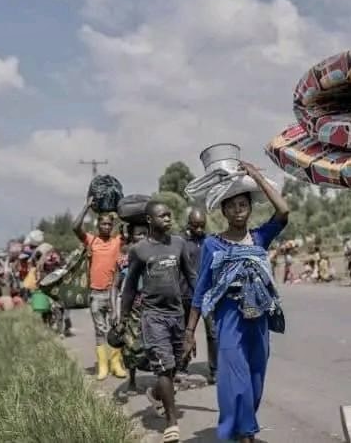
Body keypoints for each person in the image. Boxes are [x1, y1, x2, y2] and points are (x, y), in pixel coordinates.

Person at [183, 161, 290, 443]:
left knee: (255, 378)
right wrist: (189, 331)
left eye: (243, 204)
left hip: (259, 318)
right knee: (234, 380)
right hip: (229, 317)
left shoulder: (259, 238)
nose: (238, 210)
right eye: (231, 206)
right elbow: (201, 289)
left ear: (250, 208)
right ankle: (243, 433)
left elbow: (283, 211)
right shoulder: (213, 244)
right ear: (223, 211)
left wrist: (257, 177)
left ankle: (245, 427)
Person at [121, 200, 197, 443]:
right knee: (163, 367)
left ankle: (155, 393)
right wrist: (122, 319)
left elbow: (192, 278)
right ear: (149, 220)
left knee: (174, 365)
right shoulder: (139, 250)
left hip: (177, 314)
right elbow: (129, 287)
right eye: (162, 215)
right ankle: (172, 423)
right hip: (153, 316)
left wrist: (198, 317)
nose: (167, 218)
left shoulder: (179, 244)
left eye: (169, 215)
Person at [74, 197, 127, 381]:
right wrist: (86, 206)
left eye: (109, 224)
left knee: (117, 328)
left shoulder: (117, 241)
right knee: (100, 330)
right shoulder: (91, 240)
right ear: (98, 225)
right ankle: (103, 366)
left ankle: (116, 364)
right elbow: (75, 227)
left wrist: (119, 210)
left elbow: (130, 228)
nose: (106, 227)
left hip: (114, 294)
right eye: (103, 224)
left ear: (112, 226)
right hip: (96, 294)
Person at [177, 208, 218, 384]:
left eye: (202, 225)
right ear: (189, 224)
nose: (199, 229)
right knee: (185, 332)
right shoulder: (180, 243)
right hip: (186, 294)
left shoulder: (210, 242)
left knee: (213, 333)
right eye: (195, 226)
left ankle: (215, 370)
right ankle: (181, 367)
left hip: (208, 296)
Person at [114, 223, 148, 394]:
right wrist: (117, 312)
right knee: (130, 345)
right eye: (138, 234)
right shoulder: (125, 258)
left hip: (153, 304)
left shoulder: (155, 252)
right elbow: (116, 286)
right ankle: (132, 381)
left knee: (157, 343)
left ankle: (162, 382)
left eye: (144, 233)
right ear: (131, 236)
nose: (141, 237)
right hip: (133, 306)